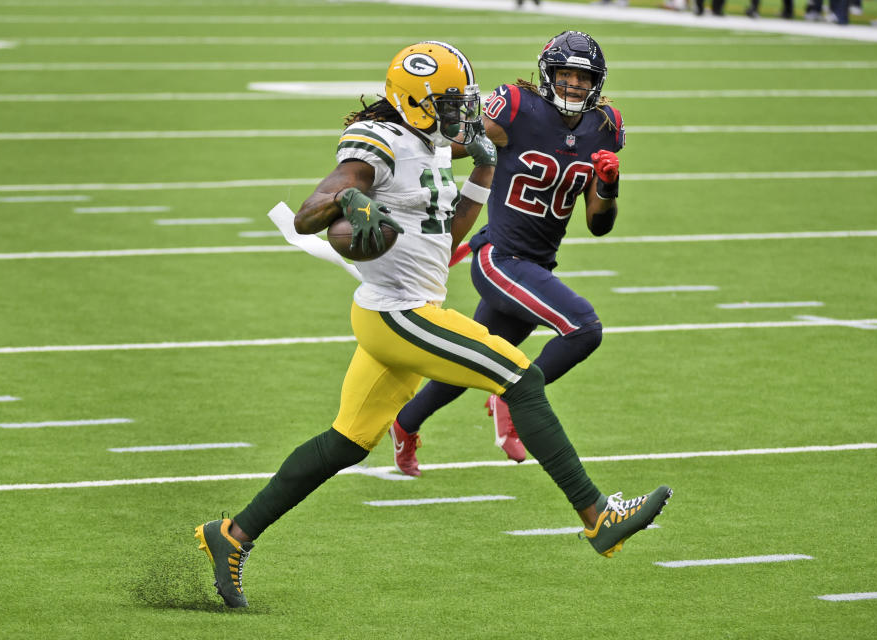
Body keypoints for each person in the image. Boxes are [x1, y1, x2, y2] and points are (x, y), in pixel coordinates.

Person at [194, 40, 672, 609]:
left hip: (396, 308)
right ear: (418, 101)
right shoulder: (383, 141)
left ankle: (231, 536)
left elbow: (448, 227)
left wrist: (485, 168)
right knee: (520, 377)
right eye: (450, 102)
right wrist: (351, 203)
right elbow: (310, 211)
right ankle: (597, 516)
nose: (462, 112)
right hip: (399, 311)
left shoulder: (429, 143)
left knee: (347, 442)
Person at [389, 31, 625, 477]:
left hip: (534, 266)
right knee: (584, 328)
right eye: (566, 74)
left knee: (469, 362)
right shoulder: (517, 106)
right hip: (499, 258)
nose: (574, 84)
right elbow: (449, 145)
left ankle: (405, 424)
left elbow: (599, 223)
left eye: (583, 77)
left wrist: (609, 187)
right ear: (549, 74)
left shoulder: (604, 126)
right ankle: (512, 396)